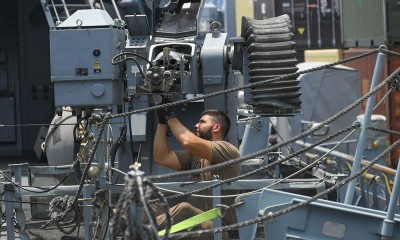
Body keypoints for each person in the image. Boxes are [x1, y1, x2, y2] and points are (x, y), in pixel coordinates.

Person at [152, 105, 241, 237]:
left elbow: (188, 141)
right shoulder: (196, 156)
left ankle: (144, 231)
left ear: (216, 128)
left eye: (202, 122)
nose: (196, 125)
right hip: (192, 225)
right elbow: (162, 157)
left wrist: (170, 116)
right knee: (150, 207)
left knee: (185, 208)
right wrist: (162, 123)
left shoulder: (228, 150)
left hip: (217, 228)